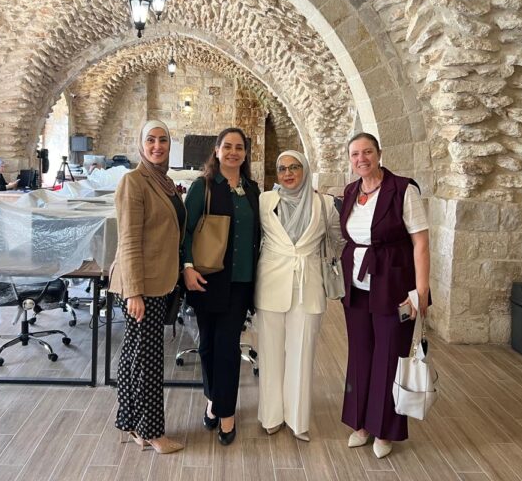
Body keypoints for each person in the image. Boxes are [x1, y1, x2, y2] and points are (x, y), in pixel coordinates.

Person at [340, 132, 430, 458]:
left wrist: (421, 292)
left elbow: (421, 242)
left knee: (390, 355)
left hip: (394, 284)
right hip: (356, 286)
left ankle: (383, 429)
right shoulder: (351, 191)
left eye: (367, 152)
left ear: (379, 154)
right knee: (360, 354)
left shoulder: (403, 190)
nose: (361, 159)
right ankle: (361, 423)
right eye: (355, 154)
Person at [108, 120, 186, 454]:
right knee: (148, 361)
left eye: (163, 140)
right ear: (141, 144)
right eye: (150, 140)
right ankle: (153, 433)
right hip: (142, 286)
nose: (157, 146)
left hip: (158, 281)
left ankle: (130, 422)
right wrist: (134, 292)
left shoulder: (164, 182)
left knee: (135, 354)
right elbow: (128, 240)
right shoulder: (134, 181)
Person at [182, 128, 261, 446]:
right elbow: (186, 230)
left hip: (240, 280)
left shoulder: (252, 189)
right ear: (216, 151)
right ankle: (213, 400)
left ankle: (225, 412)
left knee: (227, 346)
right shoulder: (203, 186)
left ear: (245, 154)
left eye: (239, 147)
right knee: (208, 346)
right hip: (206, 278)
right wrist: (187, 267)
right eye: (227, 146)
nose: (233, 152)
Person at [255, 150, 340, 442]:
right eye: (282, 168)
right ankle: (271, 416)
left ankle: (297, 419)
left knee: (302, 353)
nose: (288, 173)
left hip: (309, 285)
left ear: (305, 170)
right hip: (270, 283)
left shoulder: (324, 204)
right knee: (270, 352)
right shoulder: (265, 201)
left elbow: (339, 240)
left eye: (294, 167)